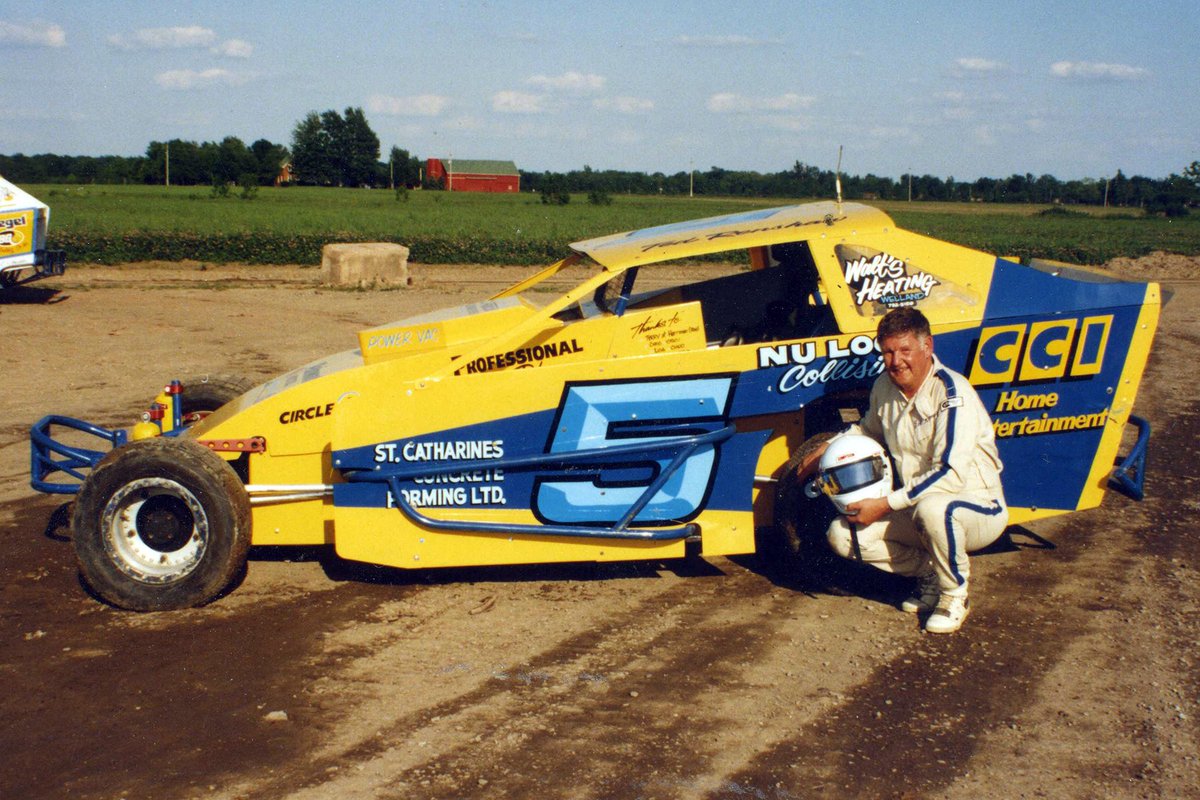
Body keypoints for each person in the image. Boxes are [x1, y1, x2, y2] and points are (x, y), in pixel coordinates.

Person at [823, 306, 1008, 633]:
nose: (896, 361)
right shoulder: (884, 385)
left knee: (935, 508)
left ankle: (955, 594)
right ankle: (932, 575)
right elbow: (868, 430)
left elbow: (948, 475)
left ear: (927, 347)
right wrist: (827, 449)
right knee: (843, 534)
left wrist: (884, 504)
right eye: (888, 352)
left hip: (977, 507)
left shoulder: (952, 392)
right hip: (917, 507)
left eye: (905, 350)